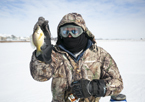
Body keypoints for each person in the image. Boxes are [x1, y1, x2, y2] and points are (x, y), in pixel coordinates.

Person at [30, 13, 123, 102]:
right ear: (60, 33)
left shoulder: (100, 54)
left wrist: (93, 88)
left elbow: (118, 84)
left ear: (83, 32)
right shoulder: (54, 54)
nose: (70, 35)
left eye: (75, 31)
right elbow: (39, 76)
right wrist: (42, 54)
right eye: (65, 31)